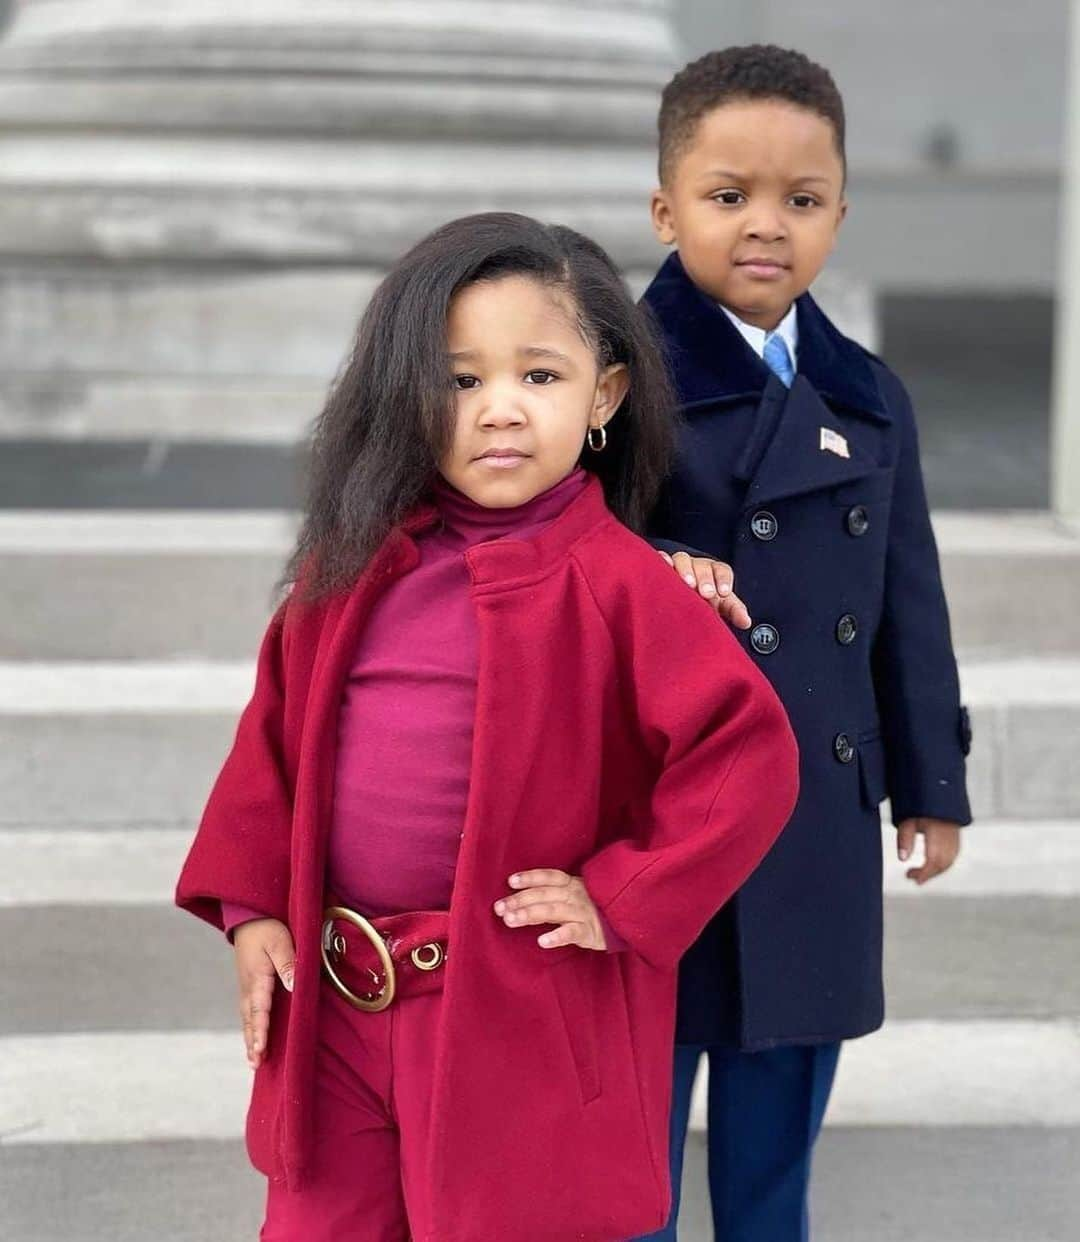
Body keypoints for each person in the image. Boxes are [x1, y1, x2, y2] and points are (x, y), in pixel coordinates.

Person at [175, 211, 799, 1242]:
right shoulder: (351, 574)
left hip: (518, 1014)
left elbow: (747, 757)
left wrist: (625, 891)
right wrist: (254, 910)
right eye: (462, 381)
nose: (500, 410)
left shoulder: (623, 587)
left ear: (604, 396)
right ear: (405, 396)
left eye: (539, 378)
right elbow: (271, 748)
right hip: (341, 1007)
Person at [635, 45, 974, 1241]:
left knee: (778, 1129)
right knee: (631, 1138)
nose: (764, 225)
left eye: (802, 199)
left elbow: (906, 603)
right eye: (729, 197)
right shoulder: (615, 384)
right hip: (659, 806)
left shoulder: (870, 395)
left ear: (840, 211)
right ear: (666, 207)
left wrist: (930, 782)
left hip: (811, 810)